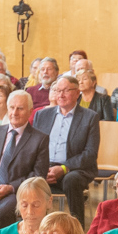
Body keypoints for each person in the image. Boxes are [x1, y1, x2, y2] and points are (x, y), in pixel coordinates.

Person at [0, 90, 50, 232]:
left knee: (3, 212)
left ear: (29, 112)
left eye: (20, 108)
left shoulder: (40, 139)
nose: (14, 112)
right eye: (12, 107)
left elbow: (39, 175)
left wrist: (10, 188)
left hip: (16, 191)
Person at [32, 74, 101, 224]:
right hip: (45, 167)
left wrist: (63, 168)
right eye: (57, 90)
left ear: (77, 93)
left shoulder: (90, 117)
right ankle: (31, 227)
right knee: (24, 177)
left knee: (71, 180)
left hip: (74, 169)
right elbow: (32, 147)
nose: (60, 95)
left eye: (66, 90)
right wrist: (42, 169)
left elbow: (90, 153)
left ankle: (77, 228)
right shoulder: (42, 115)